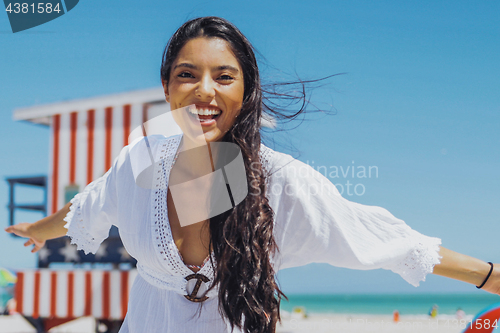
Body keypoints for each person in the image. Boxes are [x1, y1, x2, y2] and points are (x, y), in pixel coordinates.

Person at [5, 16, 500, 333]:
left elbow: (385, 238)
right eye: (186, 74)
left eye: (224, 76)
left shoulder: (279, 182)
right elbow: (88, 205)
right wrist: (35, 229)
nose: (204, 91)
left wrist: (491, 278)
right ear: (166, 87)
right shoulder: (140, 160)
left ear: (246, 89)